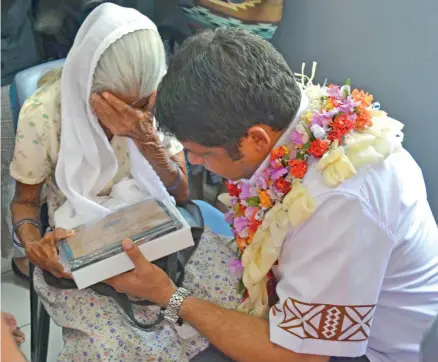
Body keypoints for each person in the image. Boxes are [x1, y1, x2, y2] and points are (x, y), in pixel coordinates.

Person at [107, 28, 438, 362]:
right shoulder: (301, 117)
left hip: (375, 353)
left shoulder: (337, 201)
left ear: (256, 140)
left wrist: (169, 296)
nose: (192, 162)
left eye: (202, 154)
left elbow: (297, 357)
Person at [10, 4, 240, 361]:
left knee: (233, 306)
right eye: (119, 106)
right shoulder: (44, 115)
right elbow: (24, 203)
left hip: (155, 228)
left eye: (143, 104)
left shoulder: (157, 103)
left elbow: (180, 193)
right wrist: (33, 243)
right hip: (80, 240)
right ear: (87, 89)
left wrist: (146, 138)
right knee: (118, 346)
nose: (134, 115)